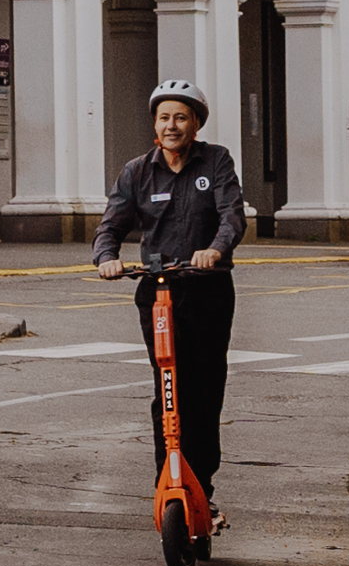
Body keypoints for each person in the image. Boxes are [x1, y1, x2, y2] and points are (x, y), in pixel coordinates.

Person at [93, 75, 242, 530]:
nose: (172, 125)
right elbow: (112, 222)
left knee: (204, 391)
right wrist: (107, 257)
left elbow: (231, 215)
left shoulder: (215, 161)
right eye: (164, 117)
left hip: (208, 292)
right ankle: (170, 480)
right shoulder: (137, 171)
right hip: (158, 295)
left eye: (181, 117)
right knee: (168, 392)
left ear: (196, 123)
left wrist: (215, 250)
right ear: (154, 124)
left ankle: (204, 489)